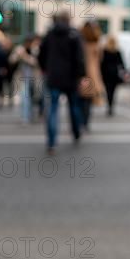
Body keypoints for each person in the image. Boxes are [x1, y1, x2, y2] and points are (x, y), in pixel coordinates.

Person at [38, 11, 85, 155]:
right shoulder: (74, 35)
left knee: (52, 109)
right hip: (70, 77)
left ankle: (52, 142)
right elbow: (79, 58)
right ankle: (76, 131)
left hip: (53, 77)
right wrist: (81, 75)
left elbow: (41, 54)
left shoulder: (50, 34)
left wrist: (45, 69)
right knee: (74, 107)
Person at [78, 21, 104, 132]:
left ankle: (80, 121)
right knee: (88, 101)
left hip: (81, 74)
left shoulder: (80, 43)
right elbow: (100, 60)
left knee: (80, 99)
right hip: (93, 75)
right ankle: (85, 122)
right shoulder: (96, 44)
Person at [10, 34, 40, 125]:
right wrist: (18, 55)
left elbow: (36, 62)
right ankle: (25, 116)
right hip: (22, 78)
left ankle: (30, 115)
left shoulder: (36, 50)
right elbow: (11, 60)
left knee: (33, 97)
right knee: (25, 97)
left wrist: (25, 56)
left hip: (34, 78)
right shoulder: (19, 49)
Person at [100, 36, 125, 117]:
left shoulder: (105, 51)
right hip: (114, 74)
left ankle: (109, 106)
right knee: (113, 92)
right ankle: (111, 106)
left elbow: (101, 64)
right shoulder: (117, 51)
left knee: (108, 91)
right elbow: (121, 64)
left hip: (106, 74)